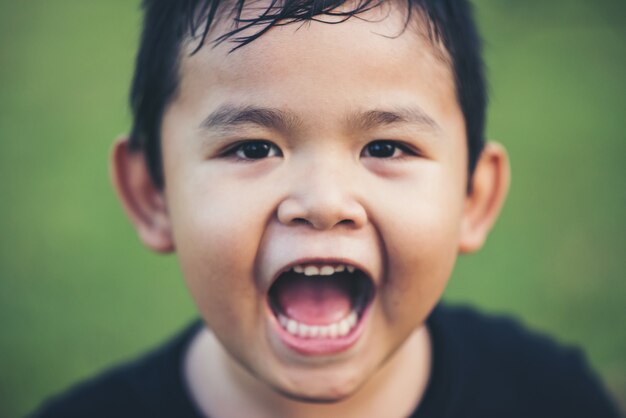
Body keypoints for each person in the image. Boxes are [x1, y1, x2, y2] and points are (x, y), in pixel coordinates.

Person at [32, 0, 621, 417]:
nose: (323, 203)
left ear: (473, 196)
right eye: (252, 147)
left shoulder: (550, 396)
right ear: (151, 194)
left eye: (387, 147)